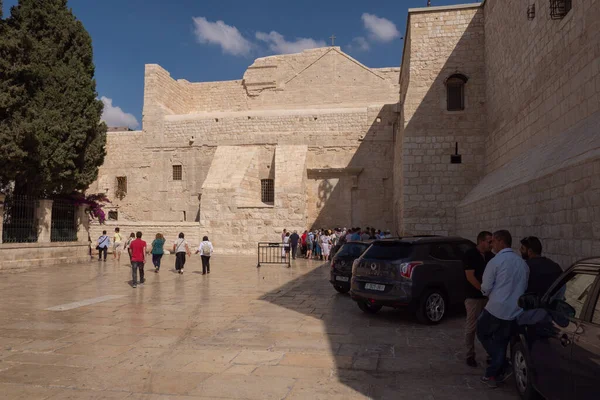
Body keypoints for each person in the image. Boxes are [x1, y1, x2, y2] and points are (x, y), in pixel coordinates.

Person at [477, 230, 529, 388]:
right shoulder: (522, 263)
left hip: (496, 308)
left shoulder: (496, 261)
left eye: (493, 241)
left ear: (501, 241)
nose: (491, 244)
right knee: (500, 341)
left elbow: (485, 288)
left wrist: (490, 292)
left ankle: (501, 366)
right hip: (515, 311)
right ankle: (496, 372)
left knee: (481, 331)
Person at [463, 231, 494, 368]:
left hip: (488, 297)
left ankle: (491, 355)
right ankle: (470, 355)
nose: (491, 244)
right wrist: (483, 290)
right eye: (489, 241)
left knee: (489, 326)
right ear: (481, 241)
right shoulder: (470, 255)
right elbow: (470, 277)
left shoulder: (491, 256)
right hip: (474, 297)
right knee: (471, 327)